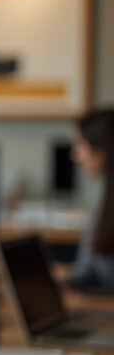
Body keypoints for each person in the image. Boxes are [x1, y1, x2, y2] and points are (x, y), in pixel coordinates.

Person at [69, 108, 114, 293]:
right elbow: (88, 269)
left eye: (80, 145)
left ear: (101, 151)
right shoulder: (105, 203)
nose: (75, 156)